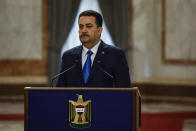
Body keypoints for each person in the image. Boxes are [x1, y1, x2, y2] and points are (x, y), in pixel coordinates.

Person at [56, 10, 131, 87]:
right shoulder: (68, 56)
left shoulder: (116, 55)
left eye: (88, 26)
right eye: (81, 27)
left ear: (99, 30)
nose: (84, 30)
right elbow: (59, 91)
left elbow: (124, 91)